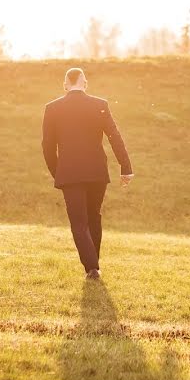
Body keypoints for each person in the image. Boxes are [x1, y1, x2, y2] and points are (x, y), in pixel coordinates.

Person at [42, 67, 134, 280]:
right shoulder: (99, 105)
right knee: (94, 217)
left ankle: (91, 267)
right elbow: (114, 136)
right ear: (84, 83)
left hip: (69, 173)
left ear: (65, 84)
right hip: (96, 171)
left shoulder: (52, 108)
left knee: (79, 222)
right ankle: (94, 267)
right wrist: (126, 167)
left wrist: (58, 172)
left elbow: (47, 146)